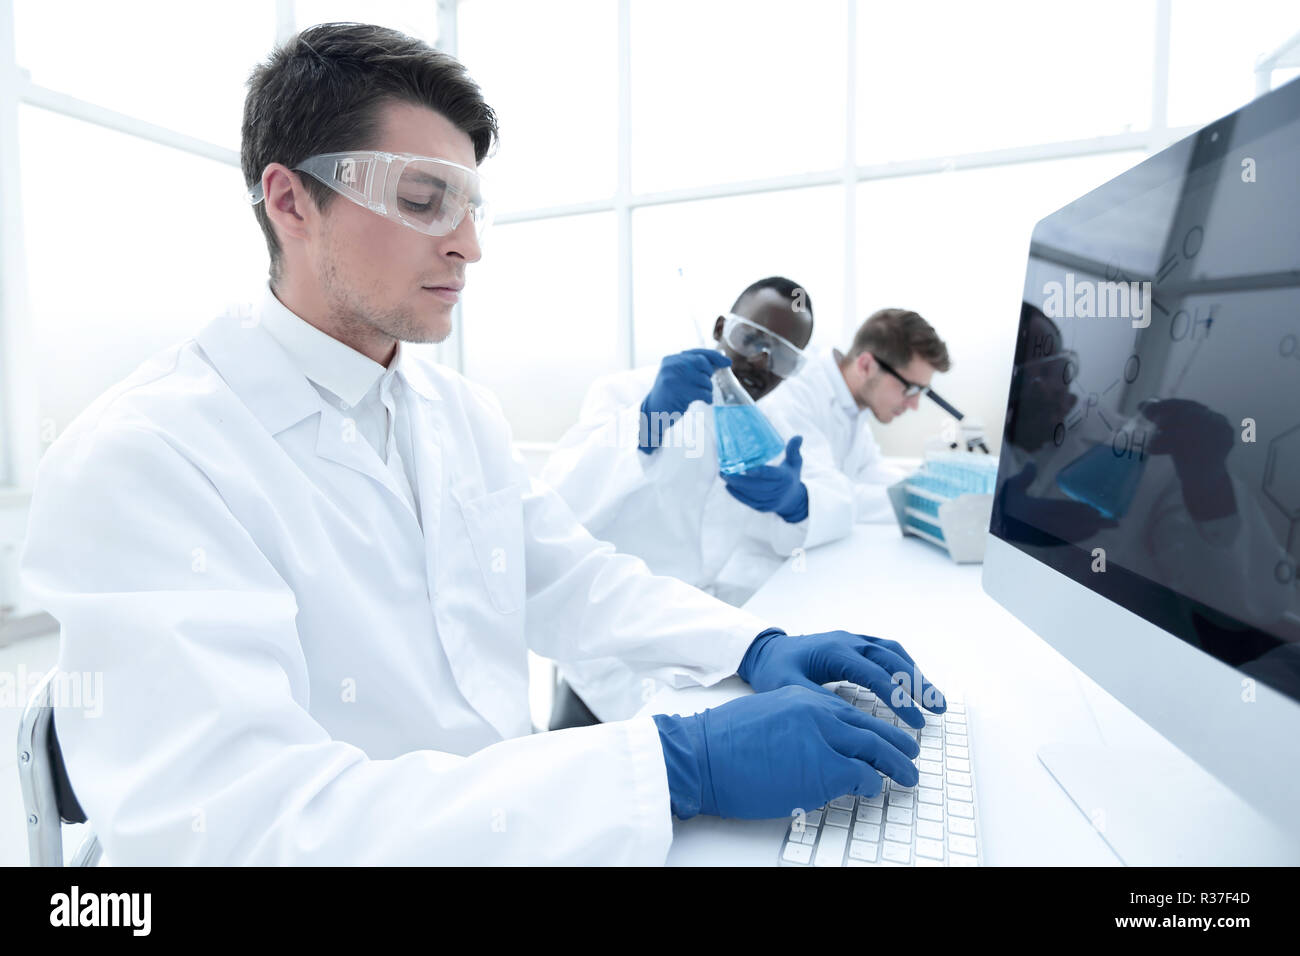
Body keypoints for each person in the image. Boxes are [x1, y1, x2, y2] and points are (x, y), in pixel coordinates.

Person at [19, 23, 945, 866]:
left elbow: (568, 577)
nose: (466, 244)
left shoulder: (454, 413)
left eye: (469, 206)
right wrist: (668, 765)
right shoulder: (146, 460)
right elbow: (246, 830)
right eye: (423, 199)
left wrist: (756, 644)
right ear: (291, 201)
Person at [541, 278, 815, 726]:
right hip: (608, 658)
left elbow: (809, 520)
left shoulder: (778, 428)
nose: (763, 360)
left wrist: (794, 504)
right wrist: (646, 424)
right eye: (752, 338)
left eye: (782, 356)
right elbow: (557, 505)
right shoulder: (626, 394)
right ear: (721, 328)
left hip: (700, 650)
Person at [710, 308, 953, 598]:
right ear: (866, 365)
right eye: (911, 389)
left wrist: (933, 486)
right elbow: (830, 495)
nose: (914, 405)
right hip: (760, 581)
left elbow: (867, 469)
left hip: (811, 565)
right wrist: (925, 501)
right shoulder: (794, 394)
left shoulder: (853, 401)